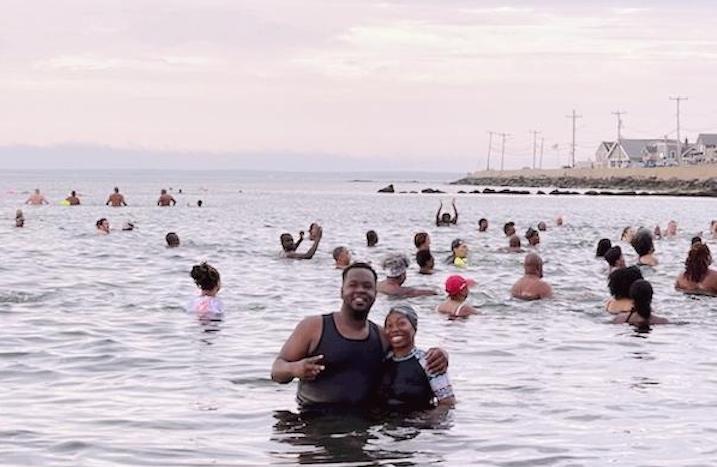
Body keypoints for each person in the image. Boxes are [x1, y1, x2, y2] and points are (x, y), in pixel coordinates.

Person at [270, 262, 448, 409]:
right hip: (313, 422)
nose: (360, 290)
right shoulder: (314, 327)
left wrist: (441, 354)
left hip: (364, 425)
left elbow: (409, 353)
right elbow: (277, 371)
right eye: (353, 285)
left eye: (367, 286)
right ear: (341, 291)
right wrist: (295, 369)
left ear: (375, 294)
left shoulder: (381, 335)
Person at [378, 305, 455, 410]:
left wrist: (428, 421)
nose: (395, 329)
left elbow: (447, 403)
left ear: (414, 328)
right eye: (389, 326)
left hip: (418, 423)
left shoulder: (430, 361)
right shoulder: (383, 361)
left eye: (402, 324)